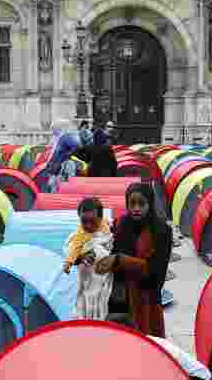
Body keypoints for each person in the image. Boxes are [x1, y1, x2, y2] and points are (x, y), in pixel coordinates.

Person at [95, 182, 172, 336]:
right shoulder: (121, 225)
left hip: (147, 303)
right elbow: (110, 256)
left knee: (148, 346)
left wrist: (121, 260)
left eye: (141, 203)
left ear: (150, 204)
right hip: (120, 301)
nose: (136, 208)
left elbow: (156, 274)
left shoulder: (161, 230)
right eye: (132, 203)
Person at [64, 197, 114, 321]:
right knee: (85, 314)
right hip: (85, 286)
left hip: (105, 286)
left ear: (101, 219)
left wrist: (99, 253)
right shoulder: (78, 236)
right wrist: (75, 260)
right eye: (84, 221)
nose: (88, 225)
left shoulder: (108, 230)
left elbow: (111, 251)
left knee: (103, 314)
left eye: (93, 221)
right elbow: (72, 250)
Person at [45, 118, 81, 192]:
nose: (52, 131)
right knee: (53, 187)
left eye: (53, 128)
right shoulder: (60, 138)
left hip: (60, 168)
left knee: (57, 188)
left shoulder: (66, 137)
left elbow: (76, 146)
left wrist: (66, 156)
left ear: (59, 128)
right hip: (56, 168)